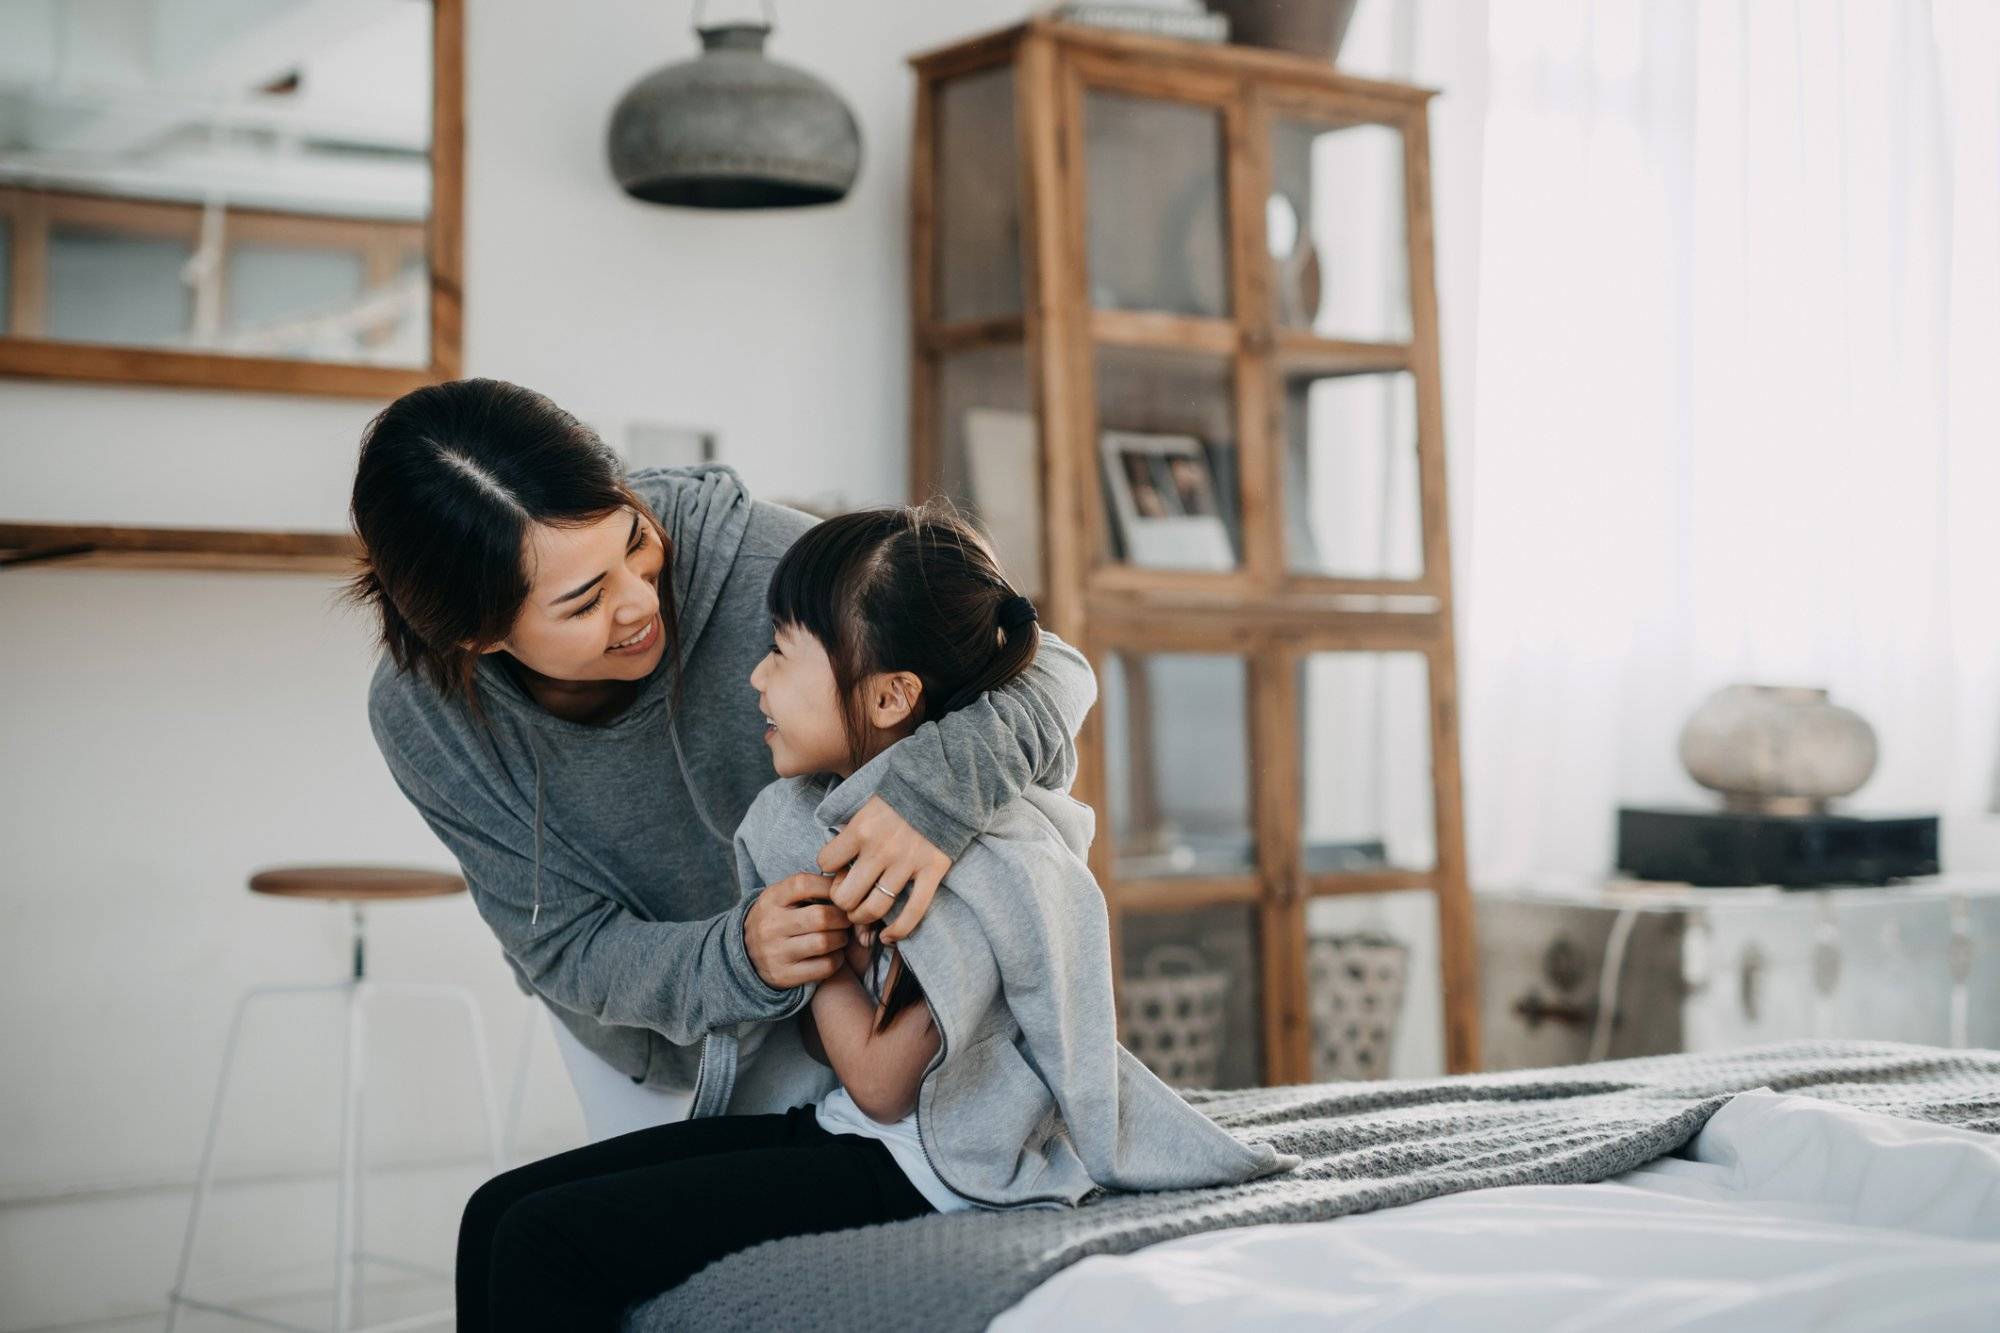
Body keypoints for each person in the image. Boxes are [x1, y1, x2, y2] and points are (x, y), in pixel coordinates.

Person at [454, 506, 1293, 1330]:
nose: (755, 678)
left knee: (540, 1238)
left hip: (922, 1165)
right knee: (494, 1210)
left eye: (781, 652)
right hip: (850, 1132)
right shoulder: (827, 819)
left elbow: (886, 1083)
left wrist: (815, 964)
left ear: (891, 694)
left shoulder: (967, 863)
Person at [351, 378, 1097, 1141]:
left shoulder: (762, 559)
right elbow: (565, 945)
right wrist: (737, 953)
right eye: (583, 603)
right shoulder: (423, 718)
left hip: (848, 1011)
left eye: (635, 541)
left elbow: (1052, 668)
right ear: (477, 636)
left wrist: (931, 800)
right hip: (643, 1043)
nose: (640, 601)